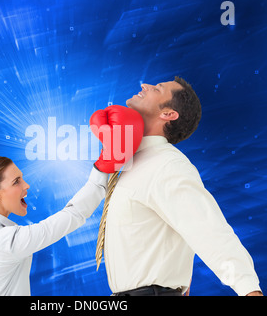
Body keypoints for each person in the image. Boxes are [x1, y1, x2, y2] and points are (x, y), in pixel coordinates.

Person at [99, 76, 263, 296]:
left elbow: (209, 231)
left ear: (168, 114)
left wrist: (248, 289)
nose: (144, 86)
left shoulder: (167, 165)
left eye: (157, 89)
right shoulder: (131, 163)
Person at [0, 156, 108, 295]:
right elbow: (74, 214)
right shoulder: (10, 241)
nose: (26, 185)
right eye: (16, 181)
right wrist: (102, 169)